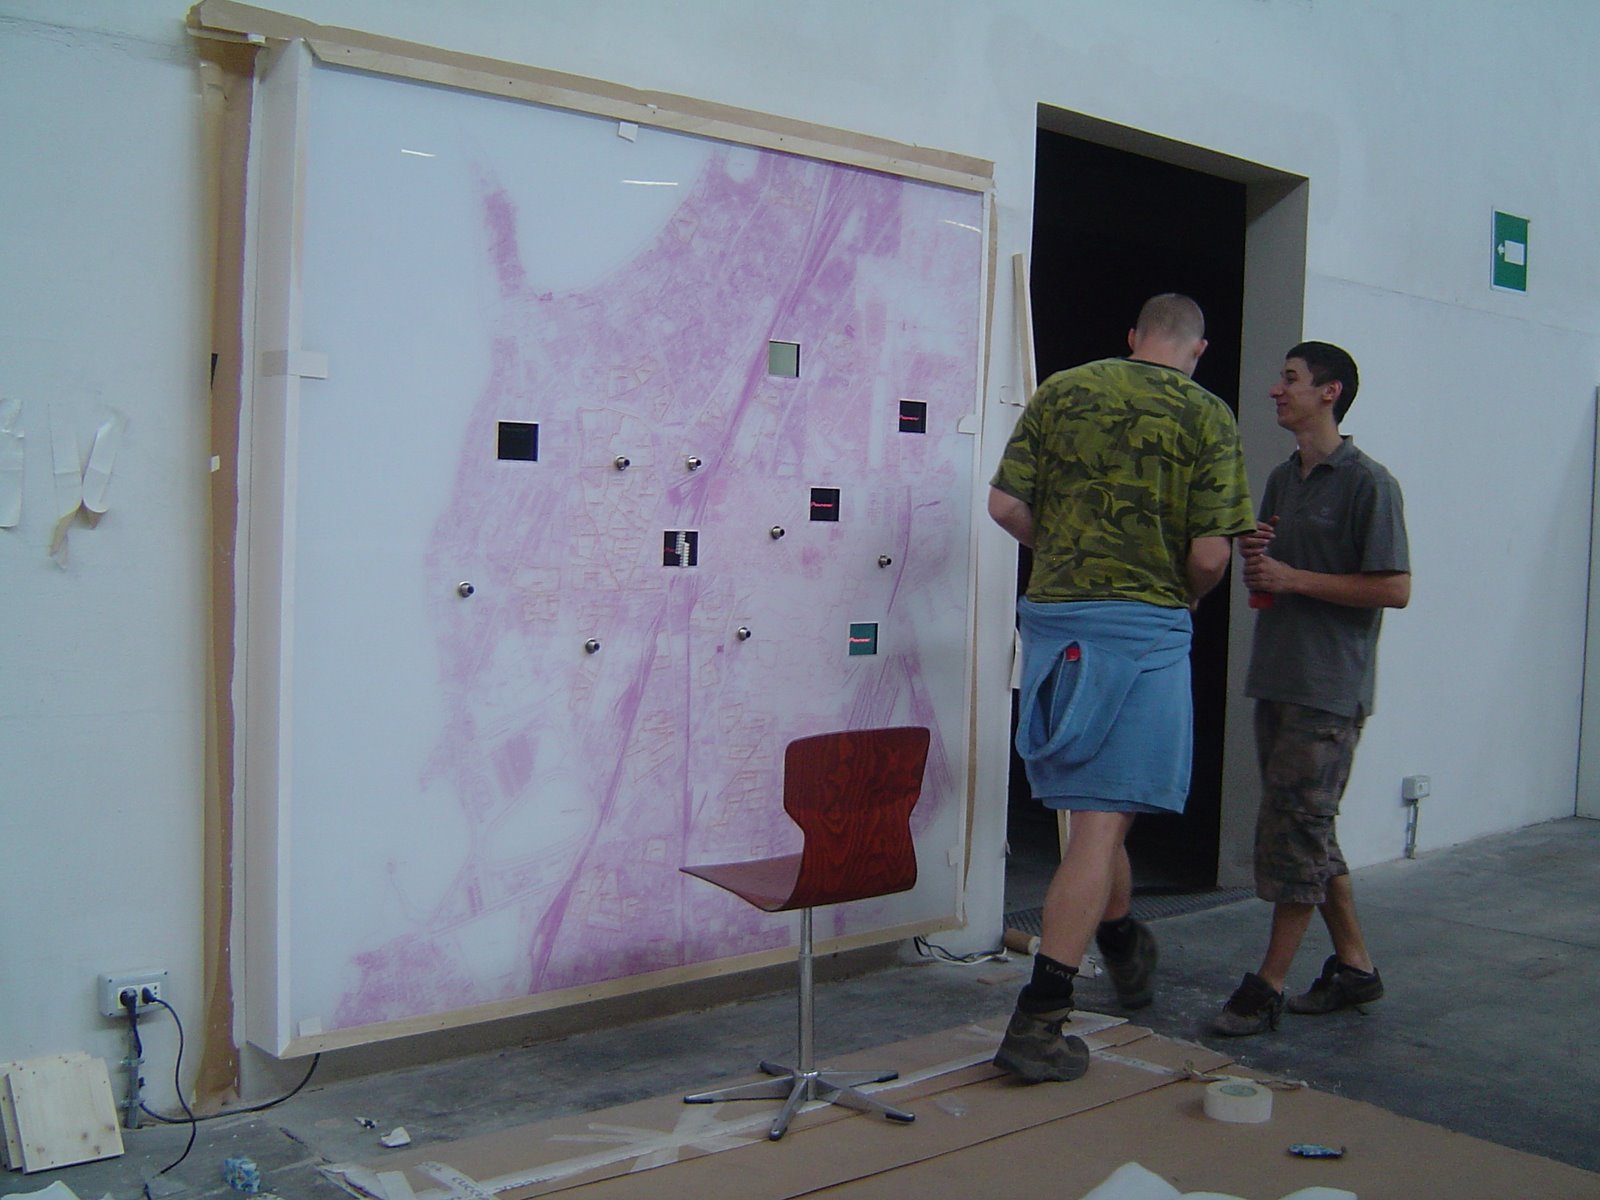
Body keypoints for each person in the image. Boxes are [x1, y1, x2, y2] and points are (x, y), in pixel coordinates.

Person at [987, 294, 1254, 1081]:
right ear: (1197, 349)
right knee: (1102, 824)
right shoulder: (1206, 415)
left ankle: (1122, 937)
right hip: (1142, 631)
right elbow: (1210, 556)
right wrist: (1184, 593)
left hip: (1056, 622)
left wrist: (1062, 551)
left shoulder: (1062, 391)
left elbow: (1004, 505)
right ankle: (1040, 1022)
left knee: (1096, 808)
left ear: (1134, 336)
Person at [1211, 341, 1411, 1037]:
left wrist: (1292, 577)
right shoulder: (1281, 479)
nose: (1277, 389)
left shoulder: (1369, 484)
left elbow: (1395, 588)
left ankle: (1267, 984)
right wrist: (1261, 566)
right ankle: (1355, 967)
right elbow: (1273, 577)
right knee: (1310, 826)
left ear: (1331, 392)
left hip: (1327, 689)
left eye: (1290, 378)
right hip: (1278, 675)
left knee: (1297, 834)